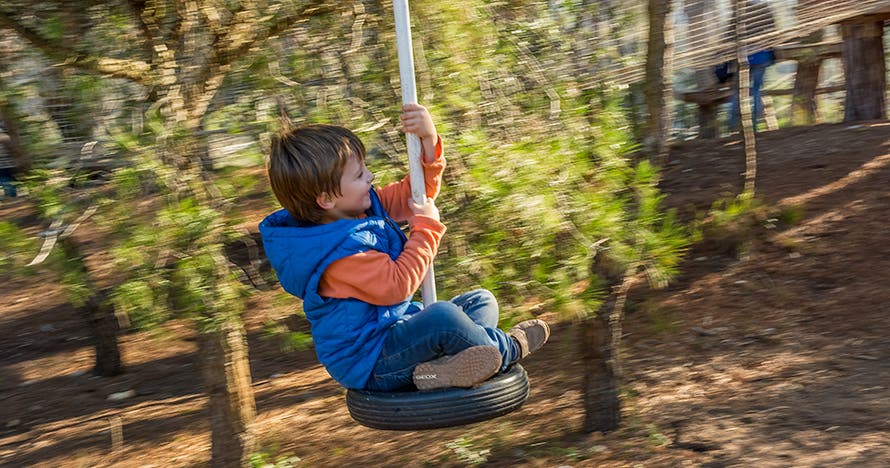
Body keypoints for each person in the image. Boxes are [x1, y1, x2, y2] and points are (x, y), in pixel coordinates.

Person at [259, 104, 550, 391]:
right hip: (372, 361)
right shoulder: (339, 256)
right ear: (326, 199)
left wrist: (428, 141)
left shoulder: (356, 210)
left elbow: (415, 194)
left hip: (396, 331)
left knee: (480, 301)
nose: (370, 177)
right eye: (360, 175)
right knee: (442, 318)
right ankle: (508, 348)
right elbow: (398, 285)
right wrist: (425, 230)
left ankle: (437, 373)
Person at [717, 0, 777, 131]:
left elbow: (729, 34)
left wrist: (721, 52)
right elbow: (773, 30)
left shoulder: (739, 7)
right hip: (762, 55)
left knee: (738, 91)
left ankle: (733, 126)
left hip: (743, 57)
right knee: (756, 90)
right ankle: (754, 126)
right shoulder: (765, 7)